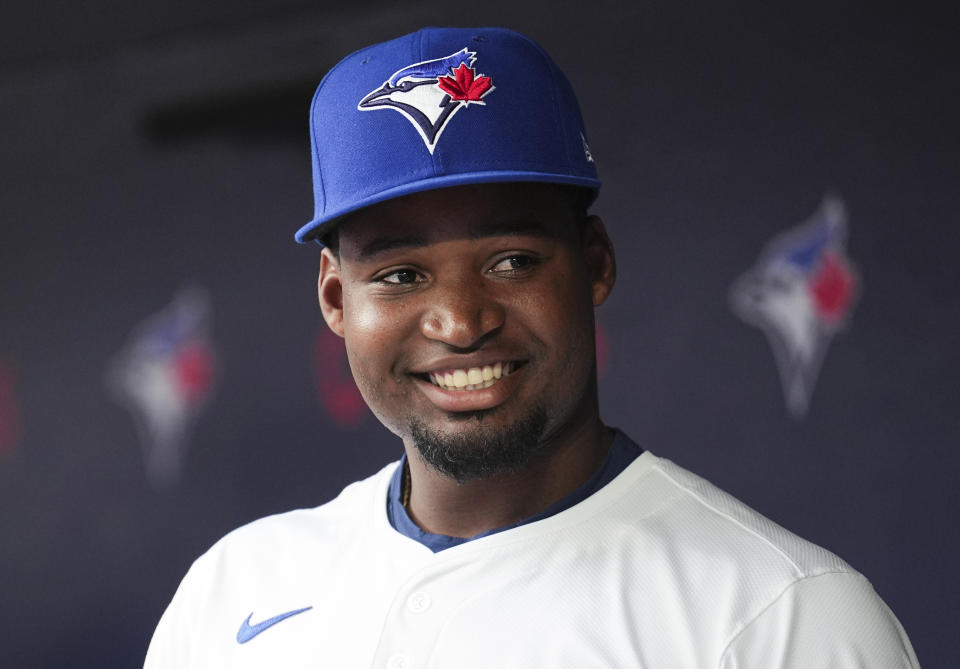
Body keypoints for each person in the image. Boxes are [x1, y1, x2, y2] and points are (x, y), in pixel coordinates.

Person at [144, 27, 920, 668]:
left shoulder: (782, 616)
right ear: (336, 298)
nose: (459, 319)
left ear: (596, 261)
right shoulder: (233, 590)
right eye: (402, 272)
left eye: (510, 259)